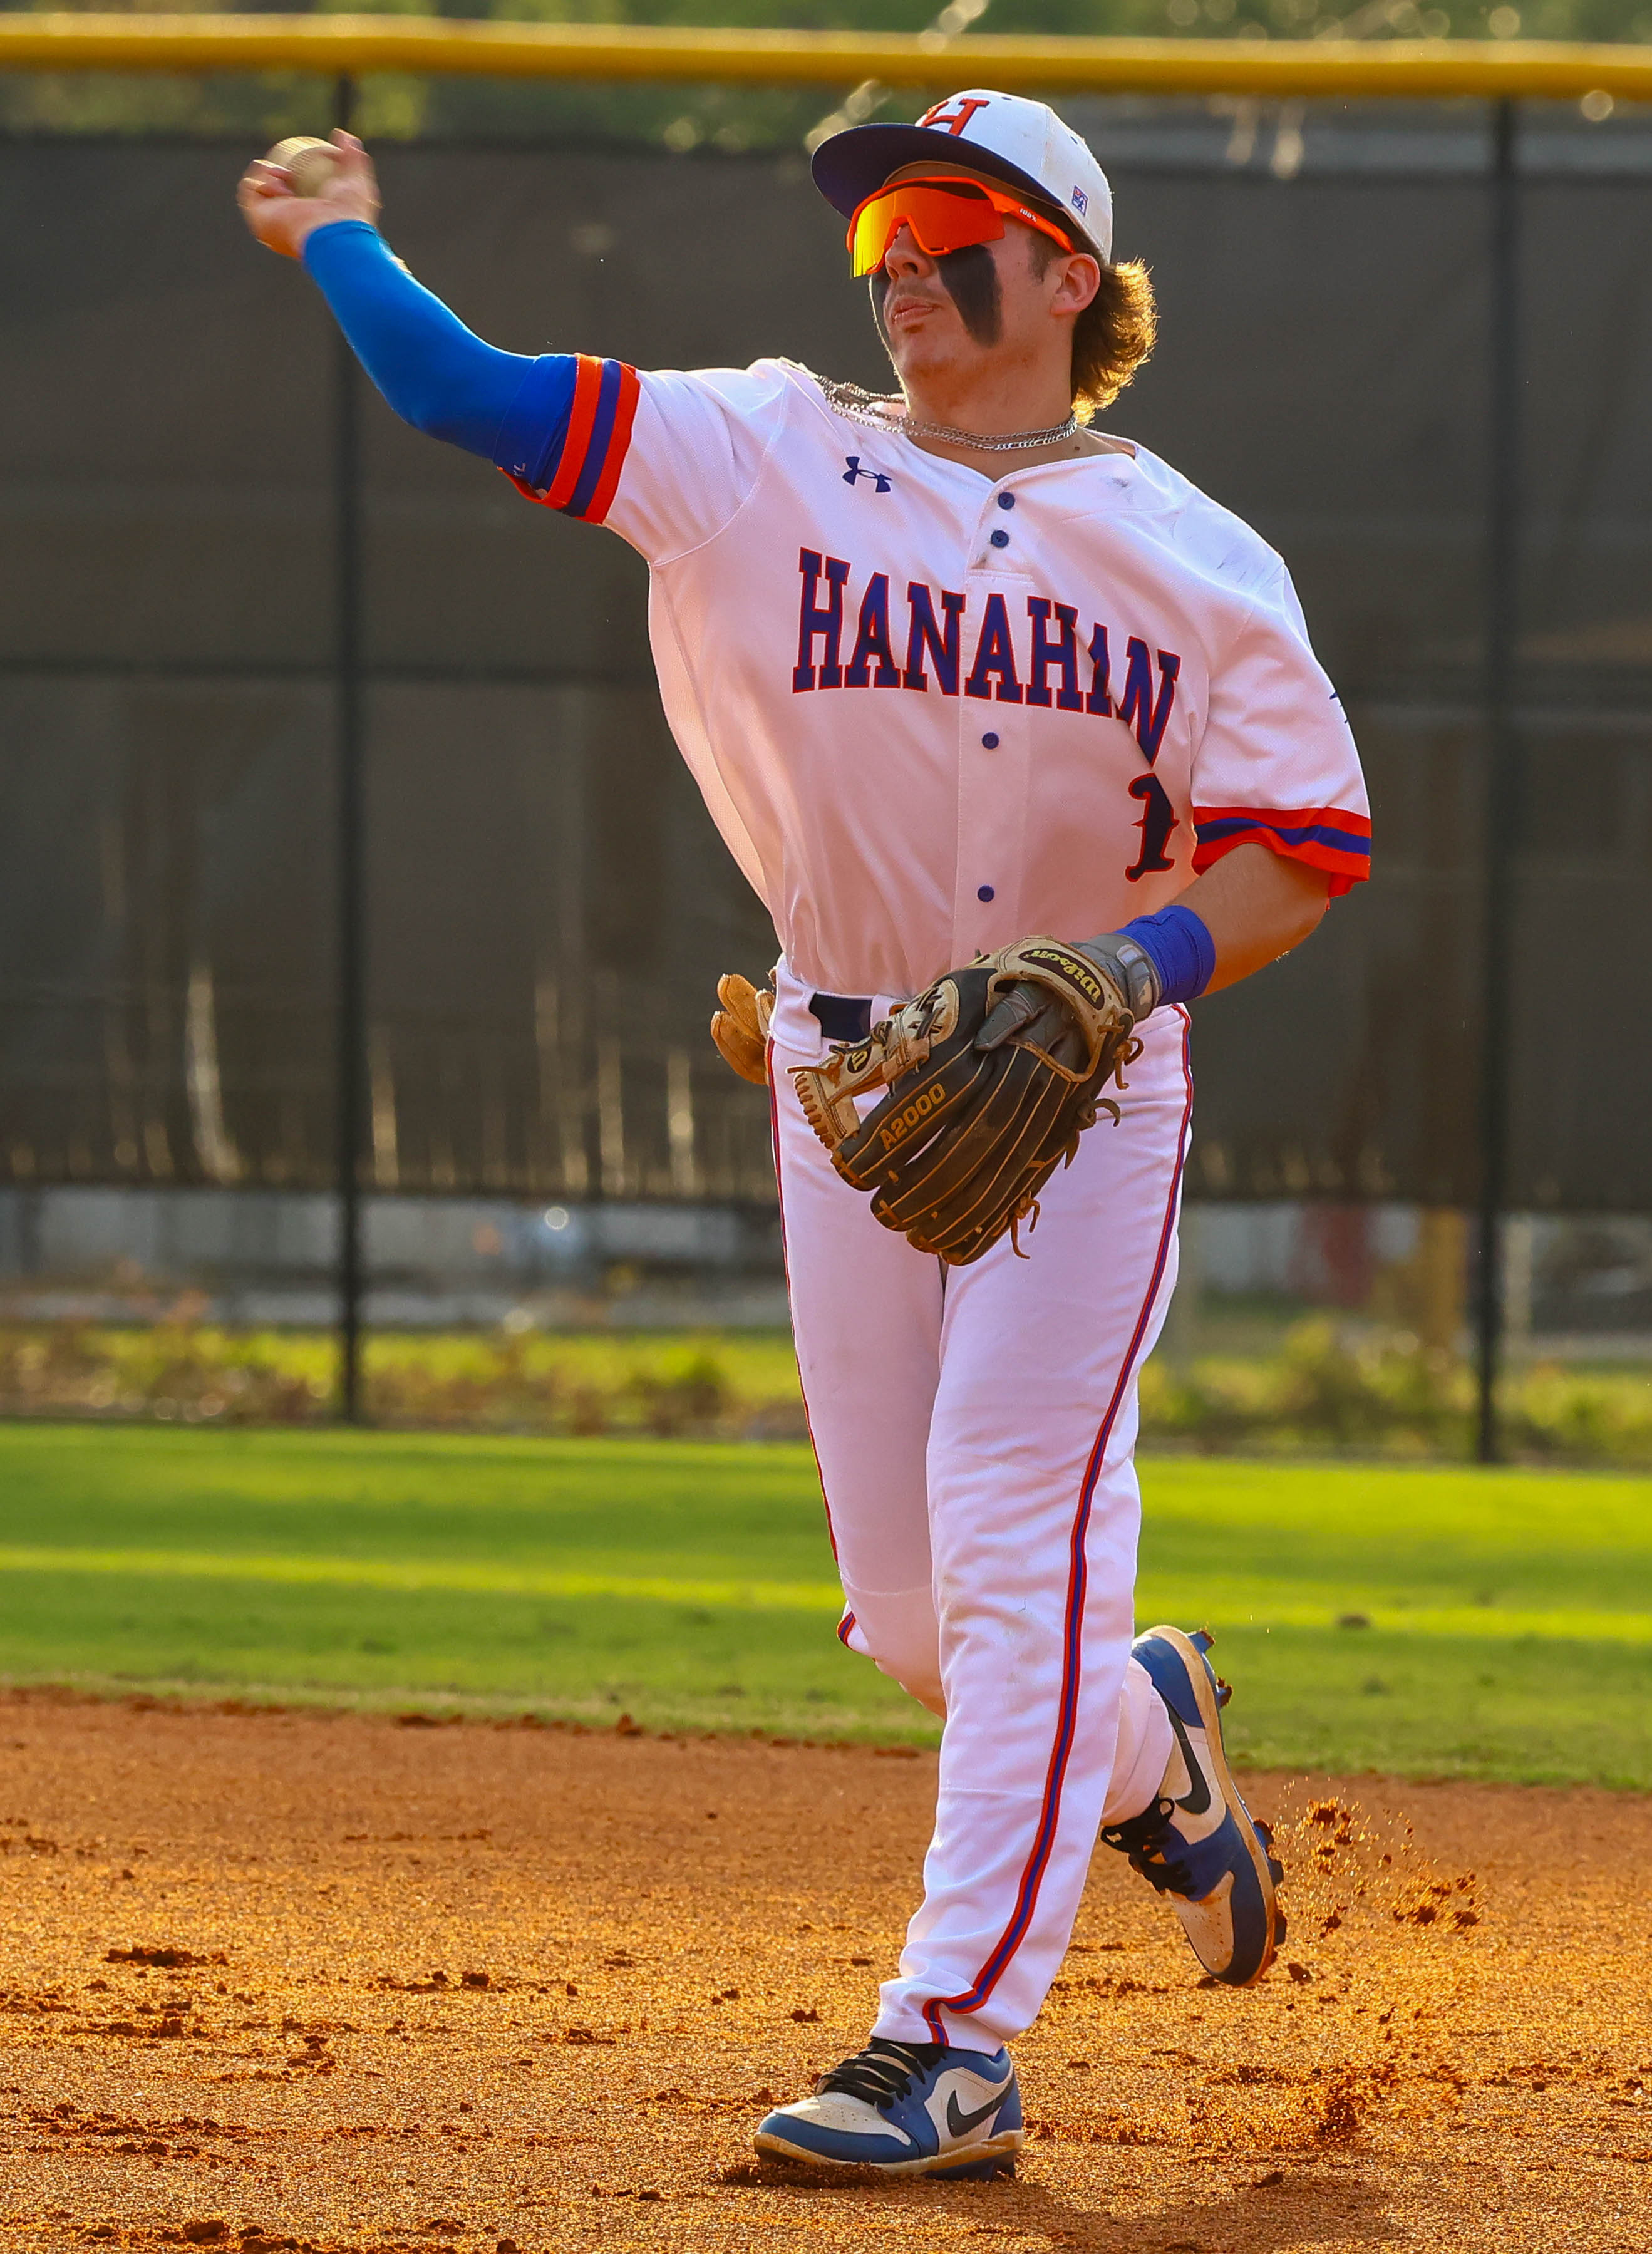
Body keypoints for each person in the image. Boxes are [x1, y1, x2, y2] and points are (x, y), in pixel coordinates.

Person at [238, 89, 1370, 2183]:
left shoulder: (1196, 554)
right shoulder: (759, 449)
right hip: (854, 1092)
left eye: (950, 222)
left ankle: (946, 2043)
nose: (901, 261)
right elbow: (469, 394)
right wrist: (339, 239)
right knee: (918, 1617)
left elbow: (1299, 853)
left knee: (1012, 1536)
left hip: (1089, 1088)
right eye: (877, 236)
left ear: (1062, 273)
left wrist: (1135, 969)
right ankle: (1148, 1745)